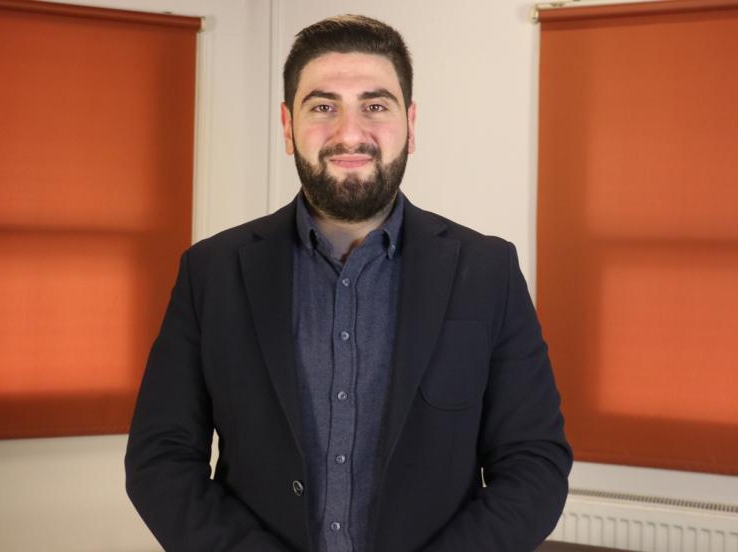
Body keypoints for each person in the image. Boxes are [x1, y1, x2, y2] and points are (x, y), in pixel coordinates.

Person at [125, 14, 572, 552]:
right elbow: (160, 461)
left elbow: (534, 464)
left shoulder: (488, 271)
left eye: (375, 106)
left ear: (410, 123)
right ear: (288, 126)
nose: (350, 133)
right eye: (323, 107)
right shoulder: (211, 272)